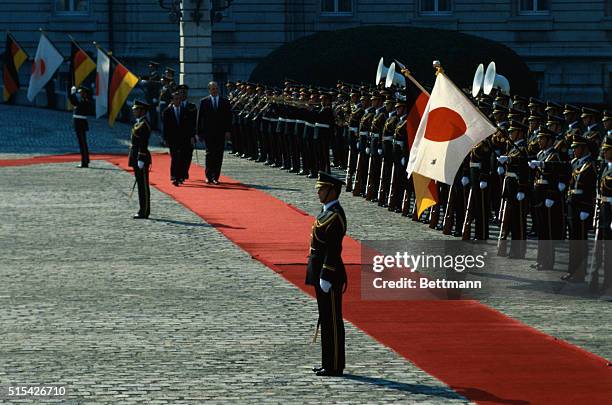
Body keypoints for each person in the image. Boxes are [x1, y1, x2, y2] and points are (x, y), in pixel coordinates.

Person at [306, 171, 347, 377]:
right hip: (321, 271)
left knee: (332, 320)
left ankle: (335, 365)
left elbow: (333, 249)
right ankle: (328, 362)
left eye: (322, 189)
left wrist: (326, 275)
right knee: (325, 318)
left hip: (328, 274)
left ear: (333, 191)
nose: (319, 192)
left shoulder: (335, 216)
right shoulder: (326, 212)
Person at [197, 81, 232, 184]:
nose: (215, 90)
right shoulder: (204, 102)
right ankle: (208, 176)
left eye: (216, 88)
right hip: (209, 133)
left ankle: (216, 177)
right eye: (212, 89)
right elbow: (200, 119)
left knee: (218, 154)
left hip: (220, 132)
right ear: (209, 90)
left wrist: (228, 131)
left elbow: (228, 118)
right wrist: (199, 132)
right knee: (209, 154)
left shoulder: (225, 102)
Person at [128, 100, 152, 219]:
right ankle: (142, 209)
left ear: (142, 111)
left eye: (136, 109)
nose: (134, 111)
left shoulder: (144, 124)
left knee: (143, 186)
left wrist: (141, 158)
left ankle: (145, 210)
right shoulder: (139, 122)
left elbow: (143, 142)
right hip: (136, 156)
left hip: (141, 158)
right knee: (140, 185)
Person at [162, 91, 192, 186]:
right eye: (176, 99)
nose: (178, 101)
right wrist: (165, 139)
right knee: (175, 158)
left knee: (183, 158)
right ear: (172, 100)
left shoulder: (186, 110)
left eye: (179, 99)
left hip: (184, 139)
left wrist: (192, 136)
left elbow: (189, 126)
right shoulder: (167, 111)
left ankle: (181, 176)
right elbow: (165, 127)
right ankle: (174, 176)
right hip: (172, 139)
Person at [68, 85, 93, 168]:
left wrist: (73, 95)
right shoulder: (83, 100)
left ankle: (84, 162)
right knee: (82, 143)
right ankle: (85, 160)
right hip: (79, 123)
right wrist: (72, 94)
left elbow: (76, 103)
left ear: (85, 93)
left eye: (81, 92)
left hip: (81, 124)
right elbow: (75, 103)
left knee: (82, 144)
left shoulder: (86, 101)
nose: (80, 94)